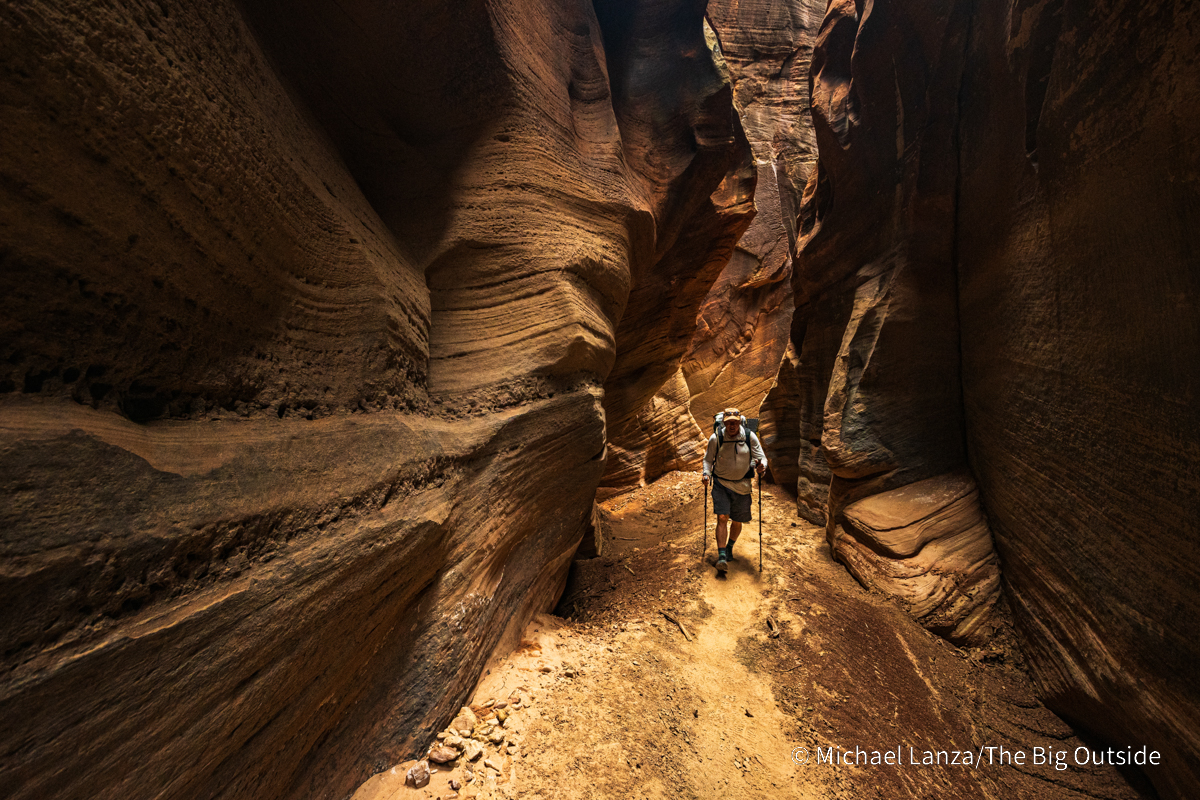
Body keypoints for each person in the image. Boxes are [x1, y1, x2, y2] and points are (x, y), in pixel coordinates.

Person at [701, 407, 766, 572]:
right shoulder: (716, 438)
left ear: (739, 422)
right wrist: (706, 474)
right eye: (729, 423)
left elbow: (761, 457)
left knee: (737, 520)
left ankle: (730, 547)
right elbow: (708, 460)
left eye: (735, 423)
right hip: (721, 484)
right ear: (724, 422)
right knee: (722, 517)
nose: (732, 426)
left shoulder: (750, 437)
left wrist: (761, 467)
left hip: (742, 485)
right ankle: (722, 556)